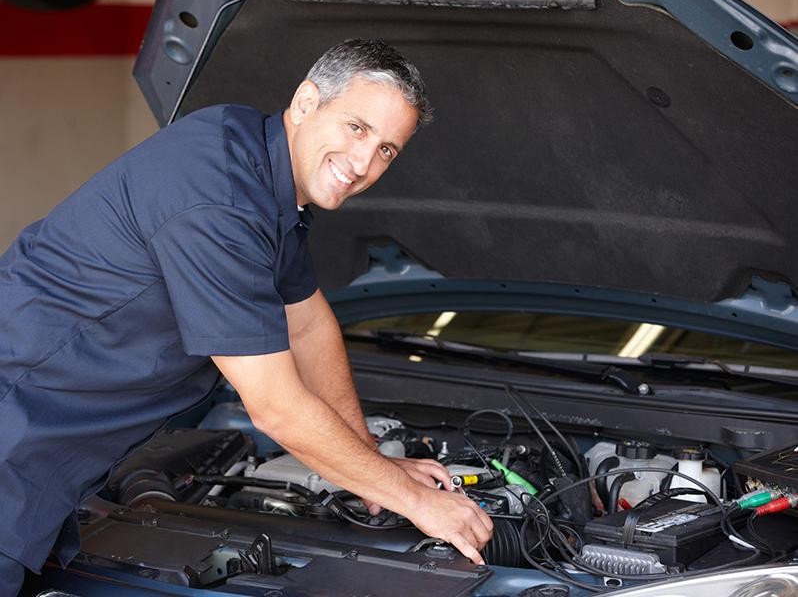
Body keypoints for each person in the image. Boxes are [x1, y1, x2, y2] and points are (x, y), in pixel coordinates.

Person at [0, 38, 493, 594]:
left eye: (386, 150)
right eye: (358, 128)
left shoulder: (253, 161)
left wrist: (372, 468)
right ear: (307, 101)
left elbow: (307, 325)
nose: (362, 164)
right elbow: (277, 409)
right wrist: (414, 502)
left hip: (45, 460)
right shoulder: (221, 200)